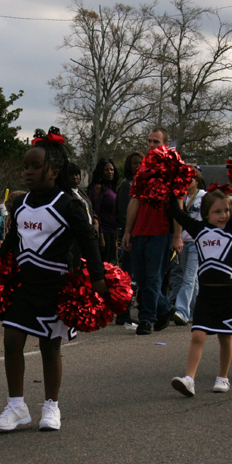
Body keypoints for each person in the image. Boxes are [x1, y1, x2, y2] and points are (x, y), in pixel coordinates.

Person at [0, 128, 106, 432]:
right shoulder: (21, 203)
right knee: (12, 341)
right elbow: (14, 238)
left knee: (49, 346)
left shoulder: (69, 204)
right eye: (26, 166)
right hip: (25, 286)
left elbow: (89, 241)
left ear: (54, 171)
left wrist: (97, 279)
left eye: (35, 166)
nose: (28, 172)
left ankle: (51, 406)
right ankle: (16, 406)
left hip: (56, 286)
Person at [168, 188, 232, 396]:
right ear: (206, 214)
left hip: (226, 294)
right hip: (206, 295)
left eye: (227, 210)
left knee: (225, 337)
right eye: (217, 211)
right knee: (198, 335)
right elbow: (176, 211)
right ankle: (189, 378)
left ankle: (223, 377)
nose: (223, 215)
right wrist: (171, 187)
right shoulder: (198, 229)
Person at [122, 128, 174, 335]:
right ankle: (165, 308)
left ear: (165, 145)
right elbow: (134, 201)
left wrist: (177, 236)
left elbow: (178, 203)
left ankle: (146, 319)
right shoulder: (141, 172)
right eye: (150, 141)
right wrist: (128, 231)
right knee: (142, 280)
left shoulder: (171, 171)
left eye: (157, 142)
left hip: (160, 232)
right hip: (140, 232)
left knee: (153, 279)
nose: (152, 145)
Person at [170, 170, 206, 327]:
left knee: (189, 277)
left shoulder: (204, 197)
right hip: (183, 241)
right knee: (191, 277)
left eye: (191, 178)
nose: (188, 181)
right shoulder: (181, 197)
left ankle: (182, 311)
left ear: (197, 181)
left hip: (197, 241)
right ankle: (196, 312)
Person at [114, 151, 144, 327]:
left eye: (141, 162)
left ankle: (125, 310)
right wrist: (127, 234)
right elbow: (124, 213)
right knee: (127, 276)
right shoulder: (127, 185)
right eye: (134, 163)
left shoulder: (140, 184)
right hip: (130, 236)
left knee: (133, 276)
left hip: (138, 235)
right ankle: (123, 312)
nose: (138, 165)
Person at [88, 158, 119, 264]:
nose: (110, 172)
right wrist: (100, 235)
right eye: (106, 169)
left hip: (112, 232)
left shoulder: (111, 189)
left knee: (110, 265)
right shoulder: (98, 188)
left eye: (112, 169)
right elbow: (95, 212)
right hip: (103, 232)